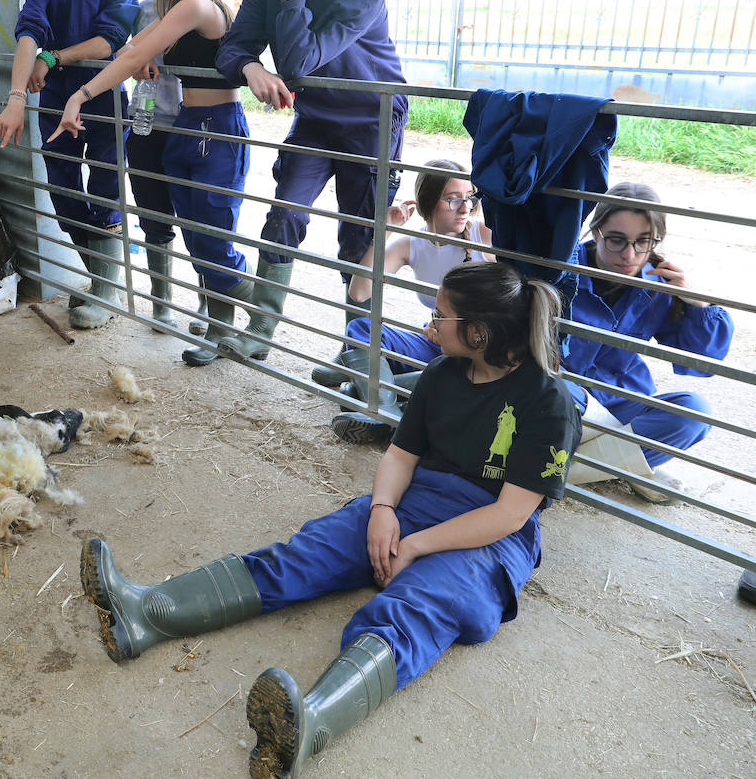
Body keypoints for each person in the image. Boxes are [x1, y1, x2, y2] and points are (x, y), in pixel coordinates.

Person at [82, 261, 580, 777]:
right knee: (305, 556)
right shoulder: (440, 373)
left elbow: (509, 513)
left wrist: (412, 546)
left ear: (480, 330)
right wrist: (382, 511)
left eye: (441, 315)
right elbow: (400, 458)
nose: (429, 324)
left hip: (488, 535)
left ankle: (309, 726)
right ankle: (147, 613)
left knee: (416, 607)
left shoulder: (548, 401)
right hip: (416, 497)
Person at [214, 0, 408, 364]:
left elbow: (300, 63)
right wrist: (248, 68)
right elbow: (232, 45)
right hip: (316, 119)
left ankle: (357, 355)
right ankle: (259, 331)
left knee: (359, 238)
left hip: (371, 120)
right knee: (284, 214)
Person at [52, 0, 251, 366]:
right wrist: (132, 61)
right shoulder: (173, 9)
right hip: (185, 124)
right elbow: (133, 48)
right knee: (199, 240)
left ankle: (265, 310)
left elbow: (131, 57)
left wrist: (81, 95)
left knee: (213, 239)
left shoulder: (198, 6)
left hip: (213, 130)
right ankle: (220, 334)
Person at [0, 0, 139, 331]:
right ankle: (100, 277)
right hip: (55, 101)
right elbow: (28, 32)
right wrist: (16, 97)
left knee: (107, 189)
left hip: (106, 98)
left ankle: (106, 290)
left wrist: (53, 57)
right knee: (63, 196)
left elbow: (109, 42)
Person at [562, 181, 732, 507]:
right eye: (616, 240)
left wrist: (695, 301)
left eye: (644, 242)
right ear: (595, 231)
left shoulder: (659, 284)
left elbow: (705, 361)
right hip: (562, 398)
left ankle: (559, 470)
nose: (630, 255)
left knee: (695, 413)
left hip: (619, 402)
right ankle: (624, 466)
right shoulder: (563, 269)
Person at [325, 162, 494, 444]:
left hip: (476, 353)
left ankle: (369, 395)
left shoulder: (484, 236)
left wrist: (450, 330)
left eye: (469, 197)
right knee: (360, 329)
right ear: (427, 202)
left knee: (356, 389)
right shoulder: (412, 244)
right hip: (436, 344)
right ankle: (388, 409)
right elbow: (360, 292)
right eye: (453, 199)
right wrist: (386, 229)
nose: (465, 208)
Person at [123, 0, 186, 329]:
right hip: (145, 119)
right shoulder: (141, 10)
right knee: (153, 214)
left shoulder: (196, 5)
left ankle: (208, 304)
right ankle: (161, 303)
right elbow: (129, 60)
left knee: (197, 215)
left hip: (185, 121)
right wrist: (134, 53)